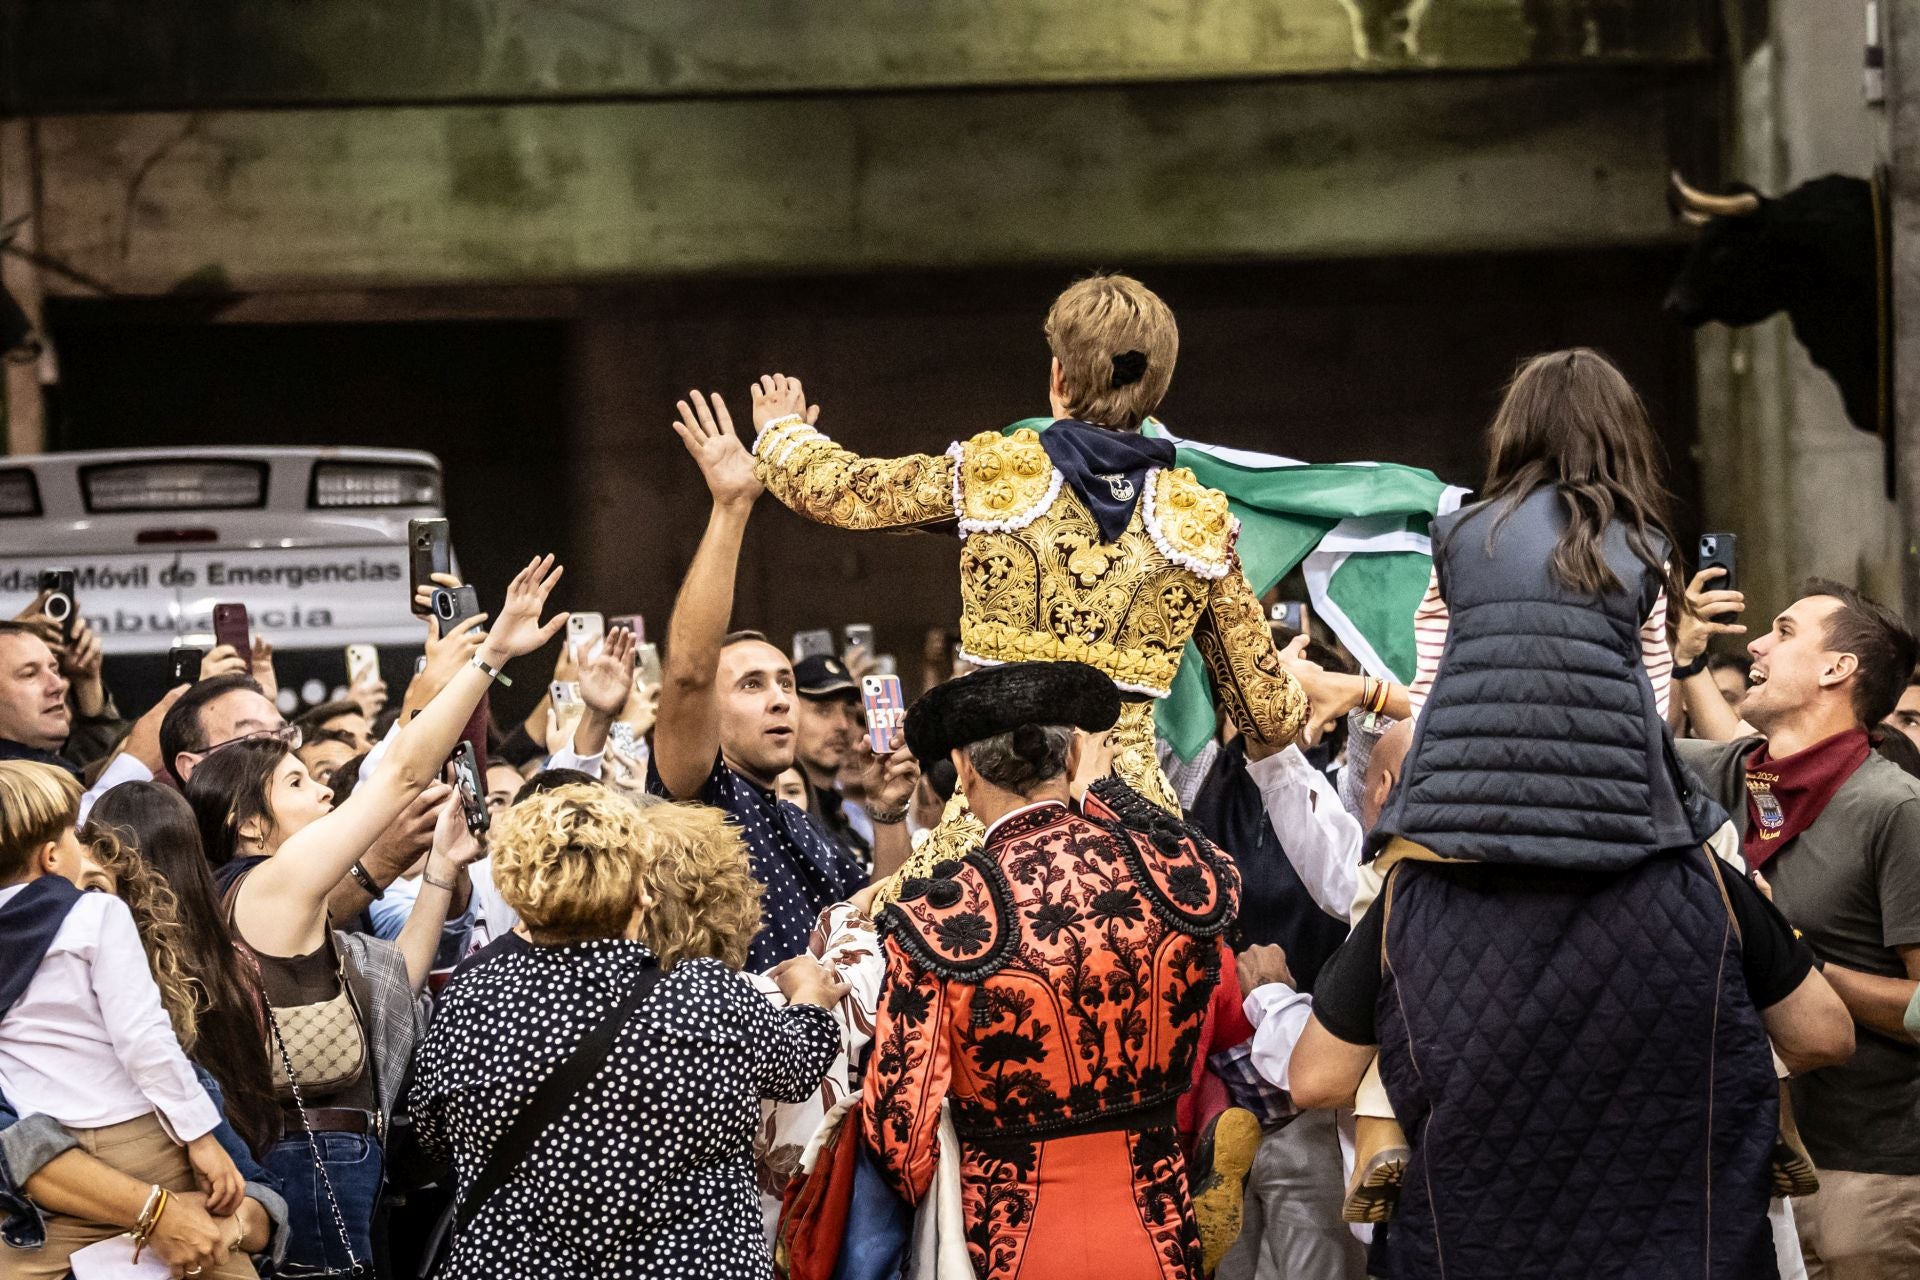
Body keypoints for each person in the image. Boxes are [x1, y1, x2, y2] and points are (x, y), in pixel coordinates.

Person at [1281, 349, 1858, 1279]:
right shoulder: (1645, 548)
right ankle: (1778, 1120)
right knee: (1733, 887)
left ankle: (1386, 1128)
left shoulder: (1459, 540)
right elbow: (1655, 713)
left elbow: (1434, 706)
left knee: (1376, 911)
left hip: (1457, 818)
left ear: (1511, 436)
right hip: (1626, 812)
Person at [745, 272, 1308, 888]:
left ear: (1059, 377)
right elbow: (1271, 718)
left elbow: (846, 492)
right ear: (1154, 390)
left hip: (994, 816)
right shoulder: (1198, 519)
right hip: (1131, 835)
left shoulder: (999, 474)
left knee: (886, 941)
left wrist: (783, 433)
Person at [182, 555, 561, 1274]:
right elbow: (401, 773)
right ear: (249, 825)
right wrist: (490, 654)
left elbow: (397, 978)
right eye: (298, 782)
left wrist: (443, 871)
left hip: (340, 1155)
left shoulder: (281, 899)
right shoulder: (266, 887)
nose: (325, 794)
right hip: (308, 1156)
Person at [861, 661, 1240, 1280]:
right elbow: (1213, 869)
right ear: (1070, 761)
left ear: (963, 768)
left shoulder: (938, 915)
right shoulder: (1170, 880)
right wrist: (1103, 792)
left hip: (1010, 1237)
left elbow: (901, 1141)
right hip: (1159, 1226)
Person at [409, 784, 845, 1278]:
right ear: (642, 890)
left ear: (516, 890)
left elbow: (434, 1135)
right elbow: (800, 1065)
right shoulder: (706, 995)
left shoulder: (471, 997)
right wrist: (810, 996)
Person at [1675, 580, 1920, 1278]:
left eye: (1782, 632)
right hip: (1742, 1164)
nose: (1754, 643)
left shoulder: (1895, 807)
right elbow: (1607, 741)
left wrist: (1793, 959)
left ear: (1836, 669)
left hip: (1866, 1173)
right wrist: (1679, 653)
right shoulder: (1734, 775)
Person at [654, 392, 919, 968]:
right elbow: (690, 673)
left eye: (784, 684)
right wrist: (732, 508)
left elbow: (875, 929)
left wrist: (888, 814)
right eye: (751, 685)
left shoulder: (804, 824)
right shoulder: (700, 800)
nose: (779, 698)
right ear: (709, 715)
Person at [0, 761, 251, 1279]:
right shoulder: (96, 915)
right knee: (214, 1257)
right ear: (51, 857)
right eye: (72, 834)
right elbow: (143, 1039)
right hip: (140, 1139)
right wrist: (202, 1136)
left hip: (52, 1159)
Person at [791, 653, 870, 860]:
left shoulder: (842, 820)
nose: (843, 725)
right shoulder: (783, 816)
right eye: (823, 710)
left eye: (849, 712)